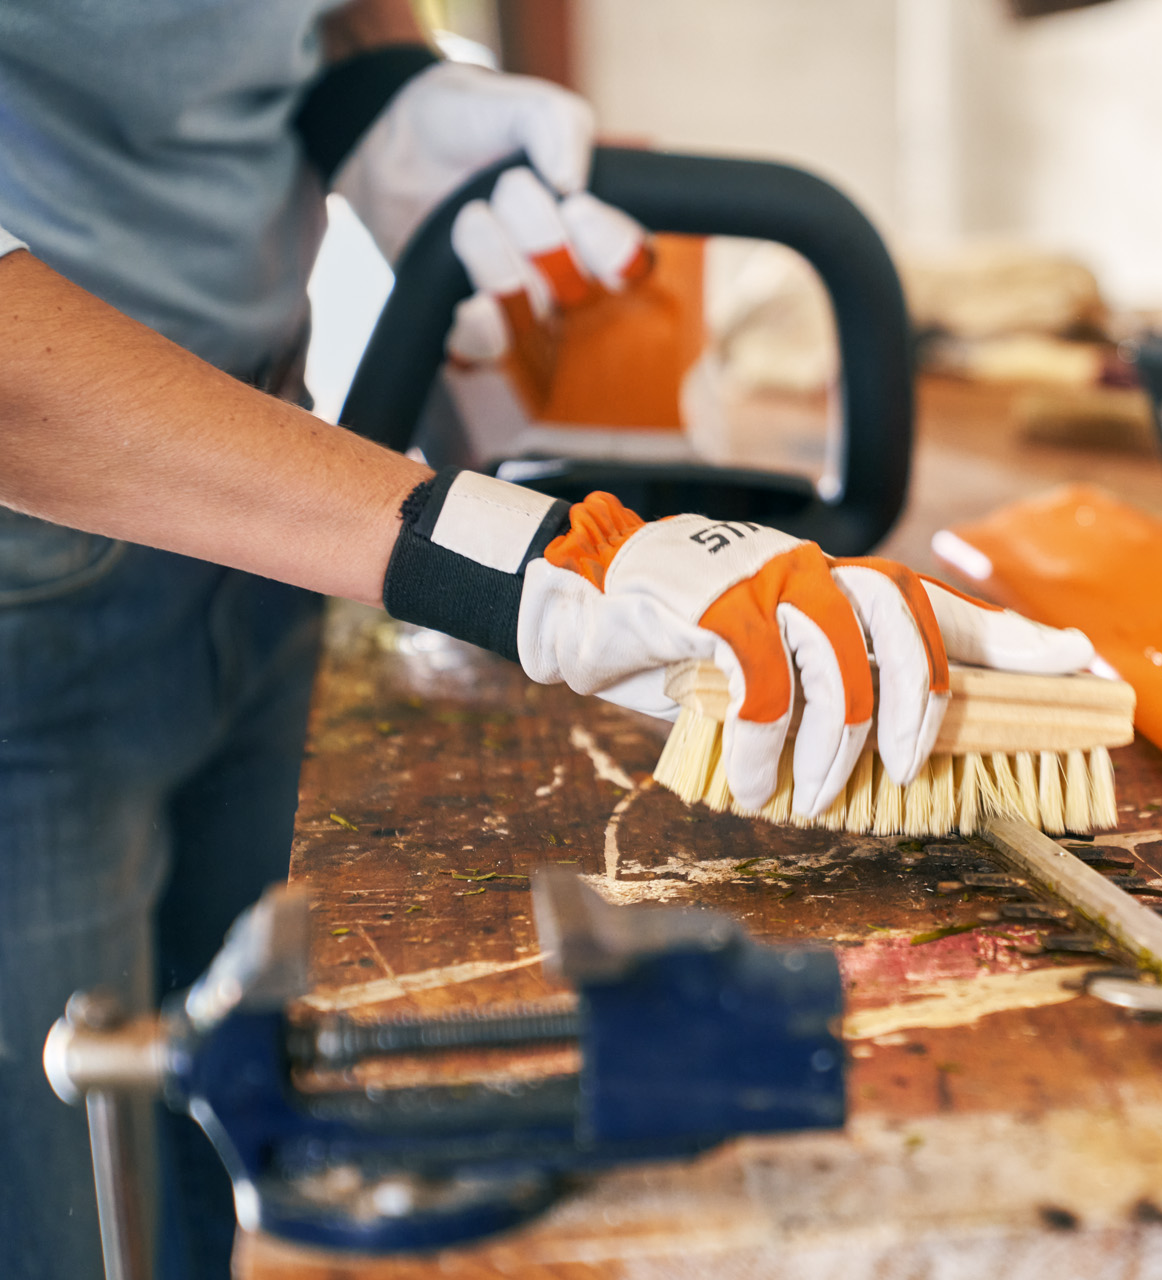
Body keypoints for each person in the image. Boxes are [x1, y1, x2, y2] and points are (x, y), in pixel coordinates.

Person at [0, 4, 1091, 1278]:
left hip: (264, 499)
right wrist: (528, 559)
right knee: (71, 1198)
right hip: (28, 585)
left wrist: (389, 84)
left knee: (246, 1103)